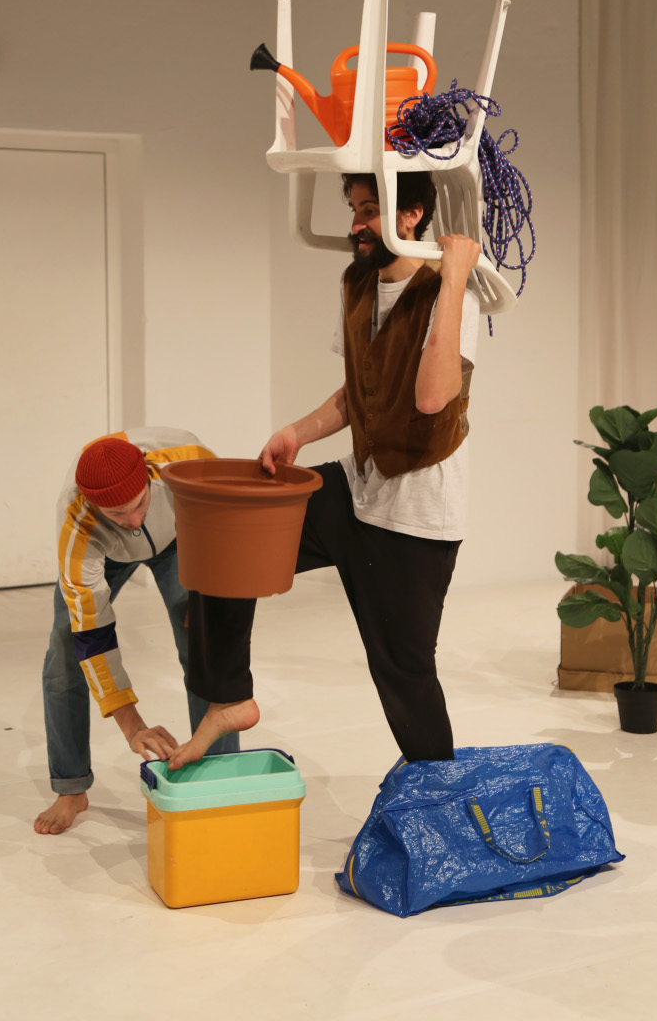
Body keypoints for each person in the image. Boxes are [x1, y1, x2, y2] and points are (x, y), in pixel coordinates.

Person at [167, 171, 481, 771]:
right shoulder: (358, 284)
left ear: (412, 215)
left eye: (371, 210)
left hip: (416, 514)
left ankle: (439, 794)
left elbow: (431, 396)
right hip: (356, 486)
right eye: (355, 208)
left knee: (404, 674)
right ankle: (229, 698)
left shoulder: (453, 296)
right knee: (231, 543)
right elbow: (359, 391)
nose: (357, 225)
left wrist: (454, 279)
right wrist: (297, 432)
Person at [34, 427, 241, 835]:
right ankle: (72, 788)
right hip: (106, 551)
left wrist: (211, 594)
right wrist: (132, 726)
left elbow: (230, 521)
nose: (133, 520)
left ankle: (219, 777)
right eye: (117, 514)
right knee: (65, 653)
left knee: (203, 642)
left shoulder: (187, 460)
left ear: (149, 476)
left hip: (181, 537)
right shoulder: (78, 523)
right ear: (94, 505)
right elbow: (92, 636)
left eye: (140, 503)